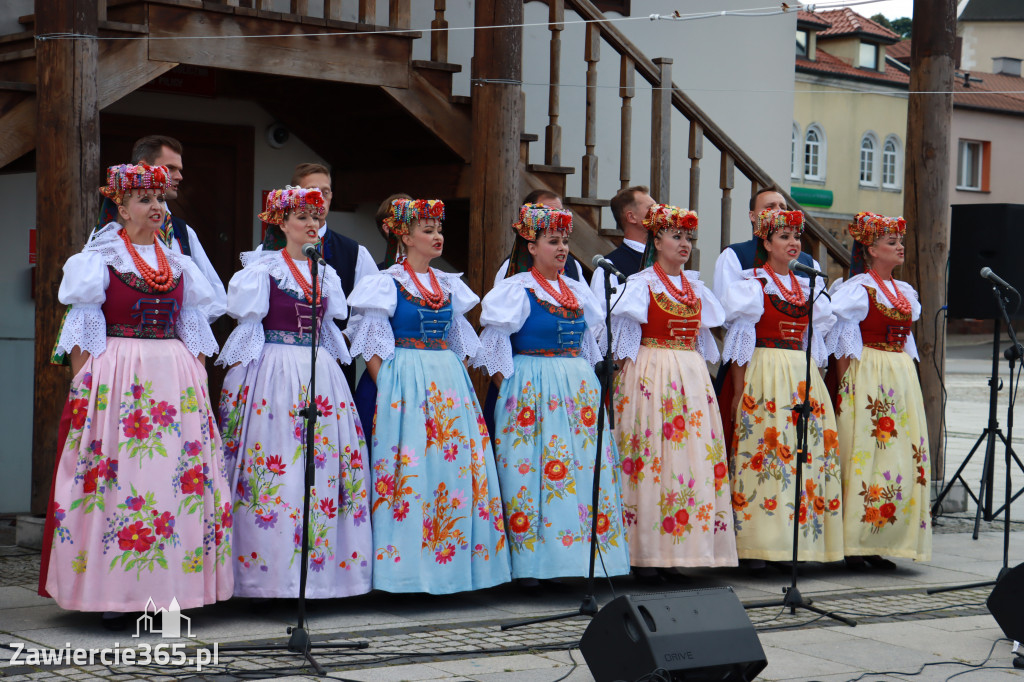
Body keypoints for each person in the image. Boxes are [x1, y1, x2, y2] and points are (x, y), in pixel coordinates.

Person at [39, 164, 231, 628]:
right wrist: (84, 387)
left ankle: (173, 590)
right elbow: (83, 333)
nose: (157, 208)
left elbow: (195, 334)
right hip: (119, 379)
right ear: (121, 208)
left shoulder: (180, 265)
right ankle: (114, 592)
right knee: (122, 481)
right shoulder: (99, 260)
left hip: (174, 382)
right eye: (145, 200)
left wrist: (196, 389)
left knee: (172, 482)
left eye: (160, 200)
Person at [346, 198, 511, 593]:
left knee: (448, 469)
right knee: (409, 470)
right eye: (427, 230)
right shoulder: (385, 283)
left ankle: (450, 568)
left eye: (438, 230)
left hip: (446, 380)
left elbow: (460, 343)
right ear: (404, 236)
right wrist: (388, 390)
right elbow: (371, 345)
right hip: (403, 378)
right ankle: (403, 573)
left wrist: (457, 387)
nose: (437, 236)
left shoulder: (449, 285)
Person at [217, 187, 371, 598]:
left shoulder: (327, 273)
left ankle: (318, 579)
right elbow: (247, 333)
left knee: (320, 473)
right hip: (273, 374)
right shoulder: (261, 271)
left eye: (316, 219)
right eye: (302, 218)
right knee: (278, 474)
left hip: (319, 375)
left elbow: (331, 326)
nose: (311, 225)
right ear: (280, 223)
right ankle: (265, 578)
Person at [474, 204, 630, 584]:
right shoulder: (514, 290)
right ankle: (532, 565)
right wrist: (512, 390)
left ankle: (578, 562)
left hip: (577, 390)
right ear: (531, 246)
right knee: (533, 471)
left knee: (579, 469)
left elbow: (586, 348)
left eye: (564, 241)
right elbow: (494, 352)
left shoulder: (577, 292)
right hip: (530, 385)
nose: (562, 248)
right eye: (552, 241)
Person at [609, 204, 736, 581]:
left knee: (687, 460)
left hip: (690, 377)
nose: (685, 244)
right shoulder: (640, 284)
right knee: (650, 459)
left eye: (688, 238)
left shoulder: (695, 288)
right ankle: (645, 553)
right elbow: (622, 348)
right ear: (657, 239)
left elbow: (704, 339)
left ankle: (682, 549)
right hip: (650, 375)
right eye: (676, 236)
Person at [720, 209, 843, 565]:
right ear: (766, 242)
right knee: (765, 454)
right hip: (765, 372)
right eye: (784, 237)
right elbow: (741, 346)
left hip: (800, 376)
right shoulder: (751, 285)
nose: (793, 243)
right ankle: (759, 544)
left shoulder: (808, 285)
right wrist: (740, 392)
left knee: (803, 455)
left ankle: (798, 540)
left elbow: (814, 344)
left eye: (796, 237)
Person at [827, 212, 930, 568]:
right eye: (891, 243)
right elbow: (841, 344)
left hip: (898, 375)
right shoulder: (856, 290)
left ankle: (884, 538)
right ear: (871, 250)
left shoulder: (904, 292)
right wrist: (845, 388)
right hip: (868, 371)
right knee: (866, 454)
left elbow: (908, 344)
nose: (900, 247)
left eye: (900, 242)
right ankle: (856, 543)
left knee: (898, 456)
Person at [261, 163, 379, 389]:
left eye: (325, 192)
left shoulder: (355, 253)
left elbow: (371, 311)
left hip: (334, 366)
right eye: (312, 192)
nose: (320, 199)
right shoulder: (267, 255)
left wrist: (343, 338)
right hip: (279, 365)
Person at [493, 190, 583, 284]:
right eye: (548, 212)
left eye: (560, 212)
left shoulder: (573, 266)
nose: (557, 218)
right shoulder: (511, 269)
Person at [588, 185, 656, 301]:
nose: (658, 213)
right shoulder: (609, 267)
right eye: (651, 208)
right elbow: (602, 314)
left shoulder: (664, 259)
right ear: (631, 217)